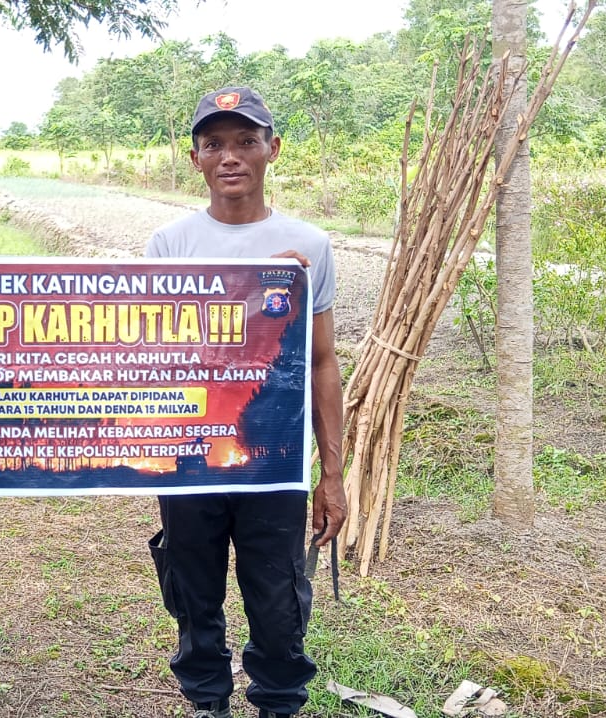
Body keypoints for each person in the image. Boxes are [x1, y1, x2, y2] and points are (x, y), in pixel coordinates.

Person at [143, 87, 349, 718]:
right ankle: (208, 703)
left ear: (272, 150)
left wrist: (332, 473)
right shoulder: (170, 244)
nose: (230, 156)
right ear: (196, 159)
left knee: (278, 599)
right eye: (214, 145)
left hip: (275, 460)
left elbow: (321, 362)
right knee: (193, 592)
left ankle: (278, 703)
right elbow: (150, 358)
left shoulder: (307, 247)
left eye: (245, 141)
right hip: (191, 457)